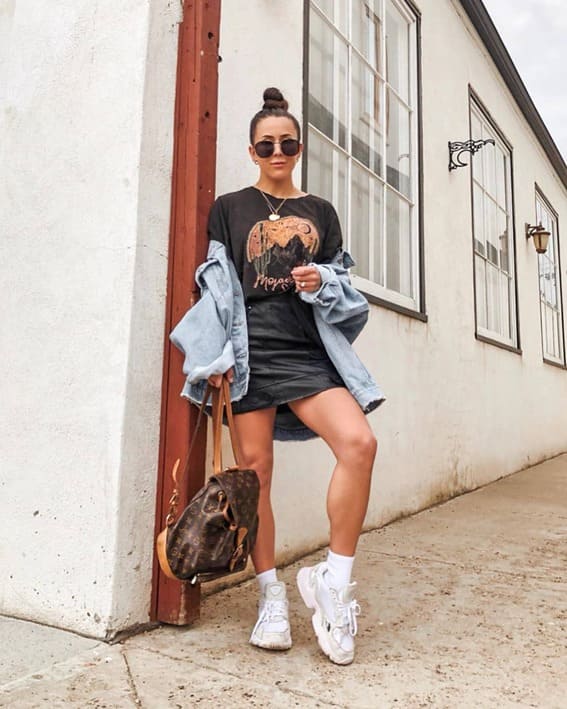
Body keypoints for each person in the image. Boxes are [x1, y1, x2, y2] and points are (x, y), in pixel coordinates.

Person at [170, 87, 385, 665]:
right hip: (249, 354)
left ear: (300, 146)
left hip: (307, 352)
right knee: (256, 476)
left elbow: (344, 290)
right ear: (252, 150)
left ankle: (333, 583)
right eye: (267, 144)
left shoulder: (320, 213)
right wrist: (217, 357)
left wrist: (323, 283)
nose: (278, 151)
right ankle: (270, 596)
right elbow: (215, 286)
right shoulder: (231, 207)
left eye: (288, 142)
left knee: (359, 443)